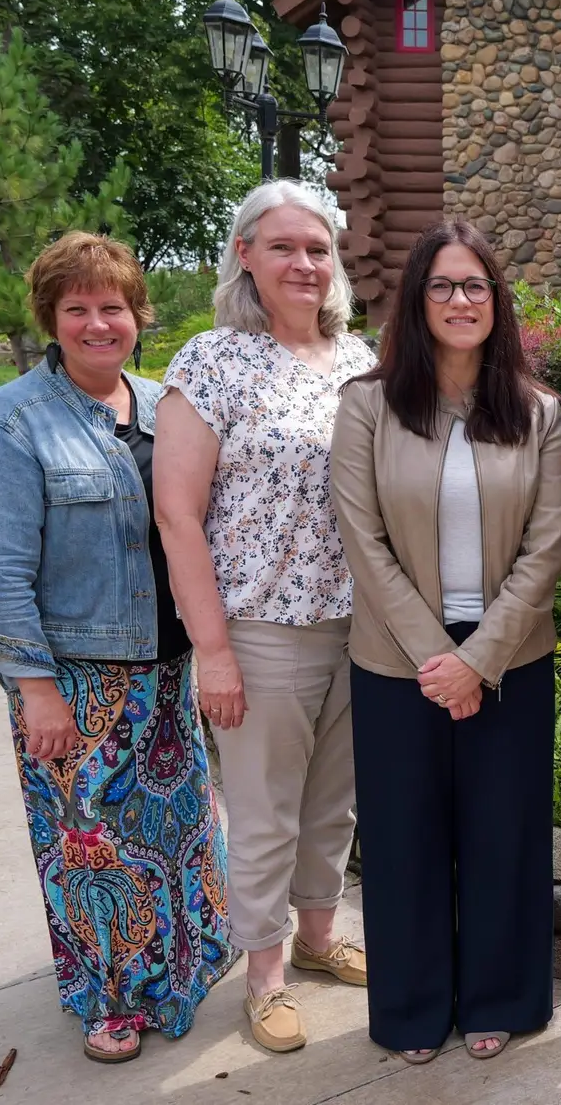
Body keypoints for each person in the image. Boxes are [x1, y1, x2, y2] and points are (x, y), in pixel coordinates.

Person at [0, 232, 235, 1063]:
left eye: (112, 305)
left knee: (174, 830)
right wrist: (32, 687)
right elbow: (0, 574)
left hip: (169, 667)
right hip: (76, 677)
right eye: (77, 307)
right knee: (91, 846)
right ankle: (105, 997)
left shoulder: (162, 405)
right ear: (52, 317)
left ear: (137, 316)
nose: (97, 322)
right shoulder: (6, 426)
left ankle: (179, 970)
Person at [331, 219, 561, 1064]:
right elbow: (361, 537)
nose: (460, 300)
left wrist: (479, 658)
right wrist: (440, 655)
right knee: (404, 838)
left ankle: (500, 997)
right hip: (397, 662)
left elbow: (548, 547)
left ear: (496, 300)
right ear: (417, 301)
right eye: (443, 286)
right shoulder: (368, 404)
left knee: (504, 832)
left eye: (475, 286)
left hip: (511, 659)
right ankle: (413, 1007)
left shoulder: (539, 412)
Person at [154, 181, 378, 1055]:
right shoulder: (212, 361)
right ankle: (265, 973)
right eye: (283, 247)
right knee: (263, 810)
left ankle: (319, 939)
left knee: (334, 805)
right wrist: (212, 648)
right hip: (260, 629)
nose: (304, 264)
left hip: (358, 628)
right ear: (244, 254)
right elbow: (177, 512)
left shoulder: (358, 360)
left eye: (318, 249)